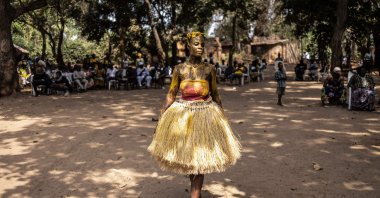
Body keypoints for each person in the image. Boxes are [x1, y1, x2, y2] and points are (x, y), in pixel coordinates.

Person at [148, 32, 241, 198]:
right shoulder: (179, 70)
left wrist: (223, 119)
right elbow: (171, 94)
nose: (200, 48)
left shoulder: (209, 70)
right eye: (196, 44)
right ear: (188, 46)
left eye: (202, 45)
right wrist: (162, 117)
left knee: (200, 159)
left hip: (205, 117)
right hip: (183, 119)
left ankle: (195, 194)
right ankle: (195, 190)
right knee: (191, 158)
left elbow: (216, 94)